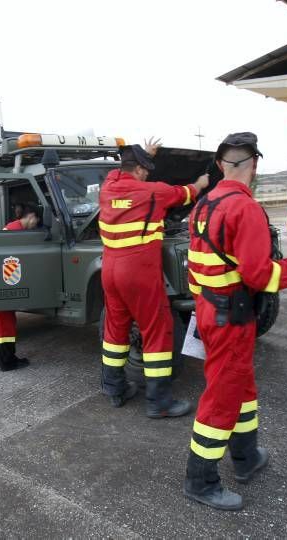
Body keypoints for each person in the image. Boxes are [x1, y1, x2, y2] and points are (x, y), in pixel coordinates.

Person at [182, 132, 287, 511]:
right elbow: (258, 276)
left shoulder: (202, 205)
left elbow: (197, 265)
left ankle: (246, 455)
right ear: (254, 165)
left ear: (221, 165)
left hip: (209, 308)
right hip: (231, 317)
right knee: (222, 397)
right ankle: (200, 480)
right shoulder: (246, 209)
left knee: (242, 387)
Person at [100, 138, 209, 417]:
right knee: (157, 330)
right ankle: (159, 402)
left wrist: (144, 154)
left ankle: (114, 387)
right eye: (145, 169)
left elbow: (119, 170)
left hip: (110, 271)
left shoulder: (108, 186)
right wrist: (202, 182)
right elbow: (187, 193)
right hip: (139, 274)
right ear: (137, 170)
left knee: (116, 330)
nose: (148, 173)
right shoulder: (153, 192)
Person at [0, 205, 40, 371]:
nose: (36, 223)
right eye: (36, 219)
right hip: (4, 281)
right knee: (5, 322)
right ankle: (8, 362)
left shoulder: (11, 228)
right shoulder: (15, 232)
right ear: (31, 216)